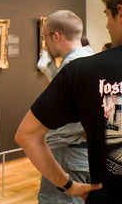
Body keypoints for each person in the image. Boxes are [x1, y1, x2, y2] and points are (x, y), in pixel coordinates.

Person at [15, 0, 122, 203]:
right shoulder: (83, 66)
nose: (106, 23)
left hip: (77, 161)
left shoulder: (83, 70)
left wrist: (67, 185)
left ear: (120, 12)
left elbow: (26, 134)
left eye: (107, 14)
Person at [36, 10, 94, 204]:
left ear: (56, 36)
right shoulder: (90, 58)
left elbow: (52, 112)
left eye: (45, 37)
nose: (45, 44)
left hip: (66, 152)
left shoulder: (72, 66)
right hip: (83, 152)